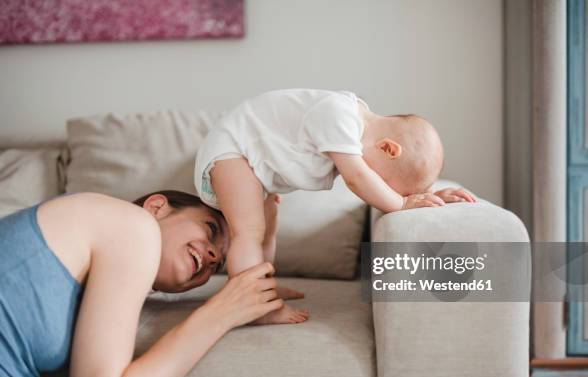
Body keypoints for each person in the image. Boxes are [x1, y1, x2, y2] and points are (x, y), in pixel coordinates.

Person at [194, 88, 476, 324]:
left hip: (253, 166)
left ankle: (264, 288)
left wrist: (431, 194)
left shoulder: (352, 121)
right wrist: (401, 203)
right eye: (385, 182)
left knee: (267, 229)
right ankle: (252, 307)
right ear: (388, 148)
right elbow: (357, 177)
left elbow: (385, 178)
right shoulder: (340, 116)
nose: (382, 189)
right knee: (249, 232)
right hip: (232, 152)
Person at [0, 191, 283, 377]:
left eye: (217, 265)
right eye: (210, 229)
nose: (212, 257)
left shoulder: (86, 285)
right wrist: (221, 313)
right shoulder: (134, 225)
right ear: (157, 207)